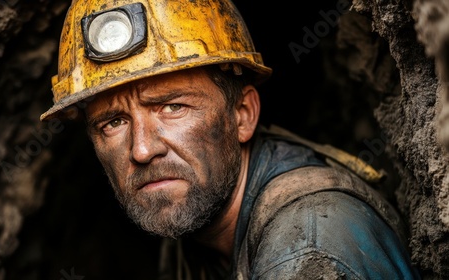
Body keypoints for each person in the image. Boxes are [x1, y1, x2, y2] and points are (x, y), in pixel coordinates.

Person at [40, 0, 421, 279]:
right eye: (113, 122)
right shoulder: (191, 227)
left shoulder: (313, 245)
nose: (142, 149)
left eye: (172, 107)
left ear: (242, 115)